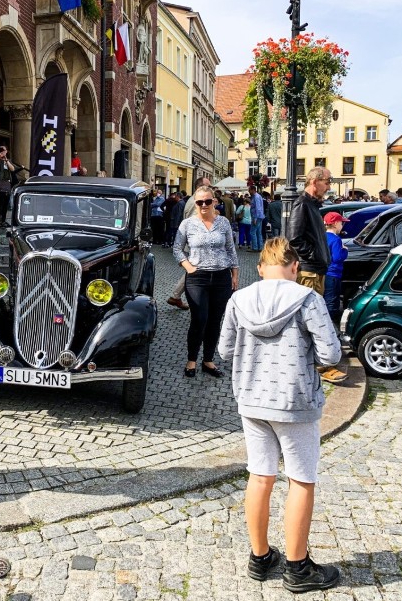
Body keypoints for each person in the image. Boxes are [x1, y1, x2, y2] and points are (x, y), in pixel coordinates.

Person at [217, 237, 342, 594]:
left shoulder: (239, 299)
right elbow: (331, 354)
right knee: (301, 479)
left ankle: (259, 557)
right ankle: (298, 567)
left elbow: (225, 351)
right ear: (294, 268)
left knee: (260, 477)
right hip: (294, 400)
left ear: (260, 268)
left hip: (252, 399)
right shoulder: (308, 299)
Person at [288, 167, 347, 383]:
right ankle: (317, 365)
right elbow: (294, 239)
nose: (329, 186)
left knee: (314, 318)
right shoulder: (302, 204)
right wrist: (313, 256)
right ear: (315, 181)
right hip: (309, 271)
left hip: (315, 269)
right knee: (310, 320)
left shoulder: (312, 205)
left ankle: (317, 364)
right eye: (328, 181)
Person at [173, 185, 239, 378]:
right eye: (199, 202)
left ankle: (208, 360)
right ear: (195, 203)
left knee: (214, 320)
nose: (203, 205)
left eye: (207, 201)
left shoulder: (224, 223)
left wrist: (234, 274)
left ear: (214, 202)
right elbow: (177, 248)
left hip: (221, 277)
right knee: (199, 319)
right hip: (197, 278)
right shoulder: (187, 224)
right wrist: (188, 267)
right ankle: (191, 359)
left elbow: (230, 249)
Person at [167, 176, 212, 310]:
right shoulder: (196, 202)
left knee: (192, 270)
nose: (210, 188)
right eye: (207, 186)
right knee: (194, 271)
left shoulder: (192, 200)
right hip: (195, 245)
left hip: (193, 244)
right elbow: (196, 224)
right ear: (199, 188)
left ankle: (176, 296)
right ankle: (180, 297)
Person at [323, 211, 349, 321]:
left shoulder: (322, 236)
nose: (342, 225)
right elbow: (338, 257)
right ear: (335, 224)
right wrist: (345, 250)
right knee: (332, 301)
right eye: (341, 223)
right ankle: (331, 323)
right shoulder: (336, 239)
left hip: (324, 272)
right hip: (334, 273)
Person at [0, 146, 16, 227]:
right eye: (1, 150)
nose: (2, 152)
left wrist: (6, 160)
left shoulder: (7, 160)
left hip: (6, 187)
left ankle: (4, 221)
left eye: (4, 150)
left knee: (5, 206)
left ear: (6, 151)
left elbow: (12, 169)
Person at [249, 185, 266, 252]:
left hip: (256, 217)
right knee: (258, 232)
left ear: (253, 190)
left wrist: (255, 218)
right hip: (260, 216)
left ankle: (255, 247)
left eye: (249, 190)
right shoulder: (258, 196)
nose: (249, 191)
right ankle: (260, 247)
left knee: (252, 232)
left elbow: (258, 208)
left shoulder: (256, 197)